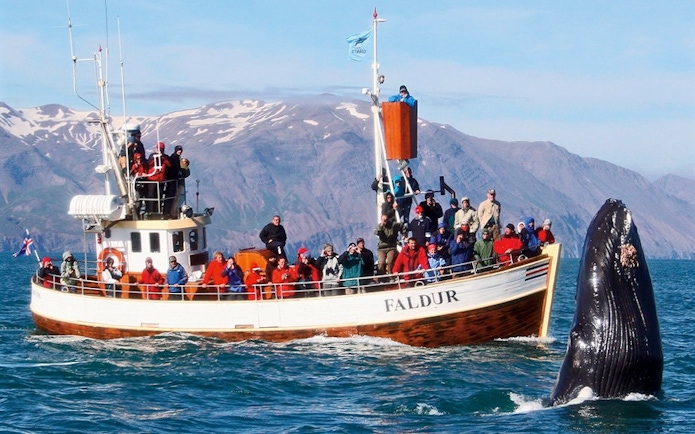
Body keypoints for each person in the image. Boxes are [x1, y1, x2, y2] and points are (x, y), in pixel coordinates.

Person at [374, 213, 407, 279]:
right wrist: (381, 226)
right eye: (383, 220)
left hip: (391, 247)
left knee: (390, 261)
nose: (384, 221)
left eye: (386, 220)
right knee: (382, 262)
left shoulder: (393, 225)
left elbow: (402, 226)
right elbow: (376, 232)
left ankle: (391, 276)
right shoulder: (380, 227)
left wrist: (404, 234)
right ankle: (382, 277)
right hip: (381, 248)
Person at [145, 141, 171, 214]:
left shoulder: (165, 157)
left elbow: (169, 165)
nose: (160, 150)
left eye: (161, 149)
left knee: (159, 196)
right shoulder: (152, 156)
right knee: (151, 197)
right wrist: (155, 157)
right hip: (152, 179)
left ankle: (158, 211)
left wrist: (163, 157)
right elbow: (149, 163)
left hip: (161, 180)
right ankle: (151, 212)